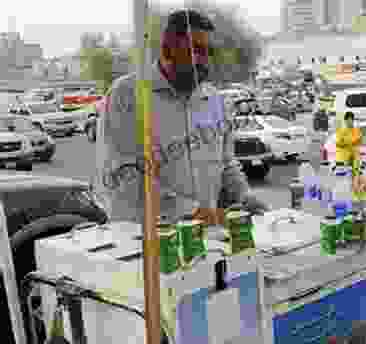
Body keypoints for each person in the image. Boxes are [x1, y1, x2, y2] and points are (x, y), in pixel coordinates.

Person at [97, 9, 269, 225]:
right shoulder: (128, 94)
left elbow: (226, 164)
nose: (205, 61)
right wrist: (196, 213)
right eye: (197, 50)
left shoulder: (214, 100)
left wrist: (245, 197)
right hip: (143, 241)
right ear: (167, 50)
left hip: (204, 238)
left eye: (209, 52)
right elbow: (126, 174)